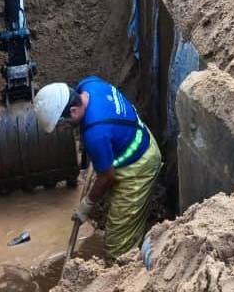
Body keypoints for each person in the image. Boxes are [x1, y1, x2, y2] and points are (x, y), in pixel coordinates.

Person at [36, 78, 162, 263]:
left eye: (62, 125)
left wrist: (86, 205)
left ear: (73, 110)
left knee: (117, 247)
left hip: (138, 168)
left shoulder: (95, 134)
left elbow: (107, 177)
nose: (62, 130)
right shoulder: (90, 85)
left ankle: (126, 274)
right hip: (138, 136)